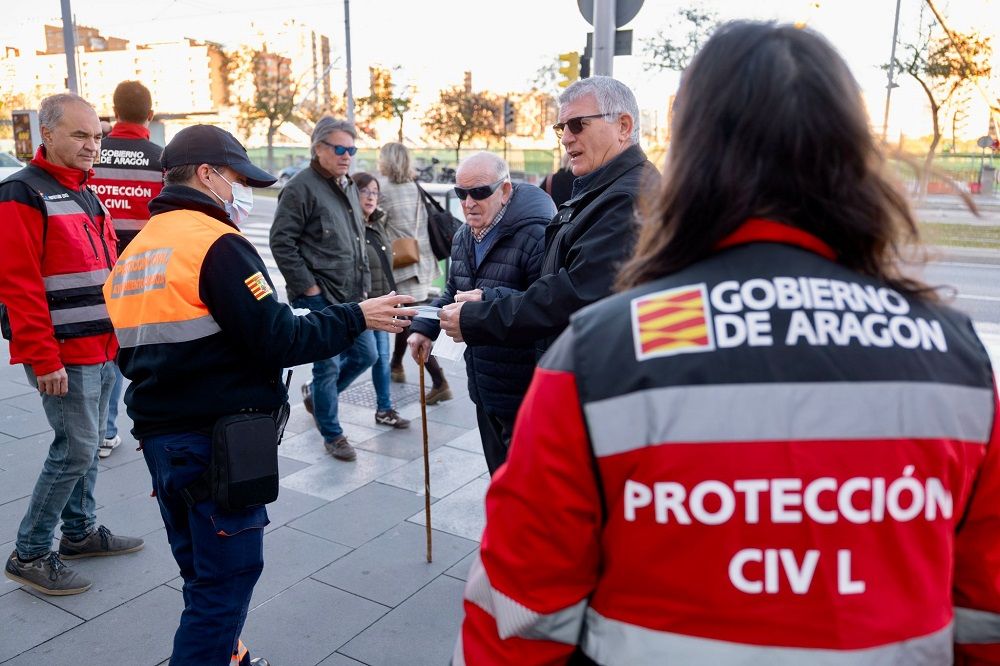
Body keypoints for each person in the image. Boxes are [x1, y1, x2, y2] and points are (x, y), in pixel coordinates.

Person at [454, 22, 1000, 665]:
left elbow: (517, 619)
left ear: (690, 153)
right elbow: (983, 616)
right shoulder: (952, 354)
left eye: (576, 126)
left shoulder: (606, 352)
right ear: (855, 155)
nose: (566, 139)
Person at [102, 124, 415, 666]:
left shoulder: (137, 250)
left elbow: (134, 352)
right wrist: (354, 315)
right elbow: (277, 338)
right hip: (215, 440)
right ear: (207, 174)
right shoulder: (215, 244)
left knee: (201, 572)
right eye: (237, 177)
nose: (241, 190)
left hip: (162, 440)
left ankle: (232, 656)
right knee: (224, 584)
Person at [0, 93, 144, 597]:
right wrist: (43, 357)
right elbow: (17, 284)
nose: (92, 145)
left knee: (83, 450)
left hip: (102, 344)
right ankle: (31, 551)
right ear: (48, 135)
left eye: (97, 135)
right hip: (63, 352)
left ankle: (79, 533)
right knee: (76, 448)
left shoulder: (84, 187)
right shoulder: (21, 192)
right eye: (80, 135)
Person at [438, 76, 657, 358]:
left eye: (578, 124)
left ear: (623, 126)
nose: (566, 138)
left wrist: (480, 315)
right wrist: (490, 299)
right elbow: (560, 288)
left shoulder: (627, 198)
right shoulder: (608, 190)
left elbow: (575, 296)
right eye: (561, 127)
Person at [408, 153, 552, 474]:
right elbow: (451, 292)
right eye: (461, 194)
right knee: (499, 480)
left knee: (525, 491)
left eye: (480, 192)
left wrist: (487, 300)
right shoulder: (462, 236)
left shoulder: (536, 236)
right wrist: (423, 327)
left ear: (505, 191)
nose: (469, 202)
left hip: (524, 391)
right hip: (483, 385)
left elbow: (546, 304)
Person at [269, 117, 376, 462]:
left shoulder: (346, 184)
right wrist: (309, 288)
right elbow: (281, 241)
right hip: (319, 296)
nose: (348, 156)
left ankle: (317, 397)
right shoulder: (300, 187)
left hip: (352, 293)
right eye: (340, 149)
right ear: (318, 149)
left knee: (366, 355)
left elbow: (357, 237)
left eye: (352, 150)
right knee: (326, 366)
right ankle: (333, 433)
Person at [90, 79, 163, 459]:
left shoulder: (92, 154)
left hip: (96, 267)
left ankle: (104, 430)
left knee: (106, 348)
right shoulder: (160, 158)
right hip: (145, 272)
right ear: (149, 115)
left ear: (114, 113)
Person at [377, 142, 451, 404]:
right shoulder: (414, 186)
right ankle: (396, 365)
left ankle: (439, 380)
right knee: (406, 316)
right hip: (419, 260)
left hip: (400, 264)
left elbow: (375, 226)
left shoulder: (383, 191)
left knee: (410, 322)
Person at [354, 171, 410, 429]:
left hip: (382, 302)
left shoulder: (378, 224)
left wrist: (394, 299)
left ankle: (384, 409)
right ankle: (317, 390)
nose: (370, 196)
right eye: (365, 191)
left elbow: (387, 267)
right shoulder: (352, 226)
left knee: (381, 356)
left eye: (375, 192)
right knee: (366, 356)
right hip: (362, 305)